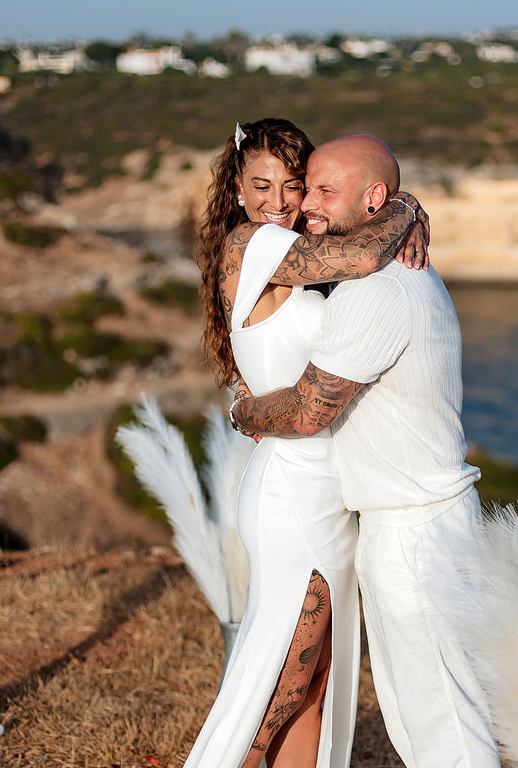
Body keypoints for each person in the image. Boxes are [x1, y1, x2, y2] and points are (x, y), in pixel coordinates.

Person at [232, 135, 500, 768]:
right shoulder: (373, 273)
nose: (306, 205)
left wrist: (244, 413)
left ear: (374, 198)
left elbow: (308, 410)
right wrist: (406, 210)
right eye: (308, 189)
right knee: (422, 716)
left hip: (415, 530)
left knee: (444, 721)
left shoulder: (379, 288)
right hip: (407, 520)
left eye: (324, 191)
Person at [184, 119, 428, 768]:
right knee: (280, 685)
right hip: (294, 489)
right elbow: (365, 256)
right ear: (237, 189)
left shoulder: (294, 254)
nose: (278, 201)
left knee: (313, 681)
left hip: (327, 487)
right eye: (261, 185)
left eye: (293, 186)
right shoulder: (253, 242)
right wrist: (405, 206)